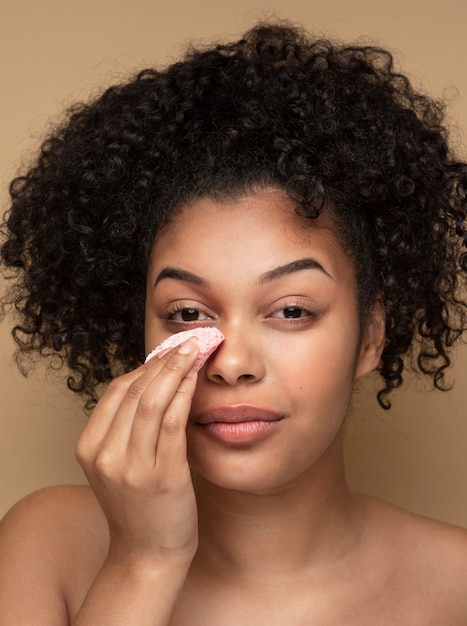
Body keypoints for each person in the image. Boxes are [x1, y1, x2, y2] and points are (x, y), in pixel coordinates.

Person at [1, 20, 467, 625]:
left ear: (371, 335)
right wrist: (144, 561)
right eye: (187, 313)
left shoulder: (456, 587)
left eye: (292, 310)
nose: (235, 364)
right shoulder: (47, 548)